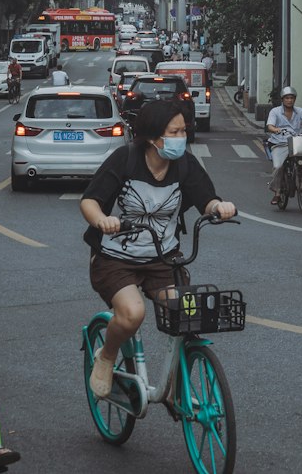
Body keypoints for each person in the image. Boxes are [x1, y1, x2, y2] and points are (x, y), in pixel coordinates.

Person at [80, 96, 236, 399]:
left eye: (183, 131)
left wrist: (219, 206)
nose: (182, 138)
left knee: (186, 315)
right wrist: (102, 220)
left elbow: (206, 197)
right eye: (174, 132)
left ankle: (178, 386)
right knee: (132, 313)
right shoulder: (124, 159)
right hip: (115, 260)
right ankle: (107, 356)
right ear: (153, 137)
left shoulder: (185, 163)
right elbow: (90, 201)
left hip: (164, 259)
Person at [264, 87, 302, 201]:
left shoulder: (299, 111)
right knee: (278, 167)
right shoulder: (275, 111)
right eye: (287, 98)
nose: (289, 100)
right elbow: (270, 126)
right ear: (283, 99)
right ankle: (277, 192)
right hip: (279, 143)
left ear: (295, 99)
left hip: (296, 143)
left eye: (292, 98)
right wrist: (275, 129)